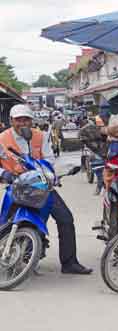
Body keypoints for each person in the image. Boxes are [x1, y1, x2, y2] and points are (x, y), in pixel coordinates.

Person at [0, 104, 92, 274]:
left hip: (41, 185)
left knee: (65, 219)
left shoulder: (40, 136)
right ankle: (12, 254)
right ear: (11, 121)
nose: (23, 123)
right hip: (16, 185)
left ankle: (70, 263)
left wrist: (53, 172)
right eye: (18, 120)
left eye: (26, 119)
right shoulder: (2, 139)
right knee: (8, 221)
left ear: (31, 120)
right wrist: (4, 173)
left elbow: (49, 158)